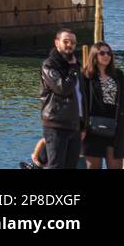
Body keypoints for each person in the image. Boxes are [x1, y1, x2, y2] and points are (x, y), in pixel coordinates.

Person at [41, 28, 84, 168]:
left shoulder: (76, 65)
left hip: (75, 125)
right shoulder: (49, 65)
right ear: (56, 42)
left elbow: (82, 96)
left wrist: (83, 124)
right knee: (56, 166)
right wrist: (72, 70)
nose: (69, 45)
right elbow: (63, 88)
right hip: (56, 124)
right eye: (65, 41)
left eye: (72, 42)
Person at [81, 42, 124, 169]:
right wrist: (82, 127)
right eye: (102, 53)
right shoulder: (86, 76)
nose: (106, 56)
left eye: (109, 53)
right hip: (92, 128)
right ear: (94, 55)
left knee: (116, 166)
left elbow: (122, 102)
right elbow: (82, 103)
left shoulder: (118, 75)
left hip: (115, 127)